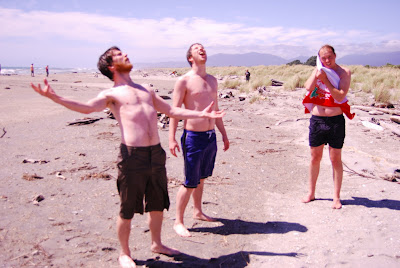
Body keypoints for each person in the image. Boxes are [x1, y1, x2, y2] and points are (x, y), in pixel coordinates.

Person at [31, 46, 225, 268]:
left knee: (157, 203)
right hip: (133, 156)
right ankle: (124, 253)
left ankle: (157, 243)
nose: (125, 54)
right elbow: (86, 108)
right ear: (112, 66)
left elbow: (172, 111)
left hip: (156, 153)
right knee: (127, 207)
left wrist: (201, 113)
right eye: (119, 55)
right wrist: (56, 98)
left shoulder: (146, 89)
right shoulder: (111, 95)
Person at [169, 43, 230, 237]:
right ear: (190, 57)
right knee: (189, 181)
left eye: (203, 47)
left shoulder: (212, 80)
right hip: (193, 138)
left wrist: (224, 134)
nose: (201, 49)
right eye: (196, 48)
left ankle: (197, 211)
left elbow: (216, 110)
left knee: (202, 178)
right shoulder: (184, 81)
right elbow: (174, 112)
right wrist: (171, 138)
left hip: (210, 137)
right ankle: (178, 221)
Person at [301, 44, 355, 209]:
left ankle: (336, 197)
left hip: (335, 121)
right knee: (315, 157)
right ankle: (311, 192)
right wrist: (317, 75)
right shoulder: (319, 69)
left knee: (335, 158)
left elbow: (340, 95)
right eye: (323, 58)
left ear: (335, 55)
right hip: (317, 120)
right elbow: (308, 87)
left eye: (329, 57)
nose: (327, 60)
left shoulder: (344, 72)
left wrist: (325, 80)